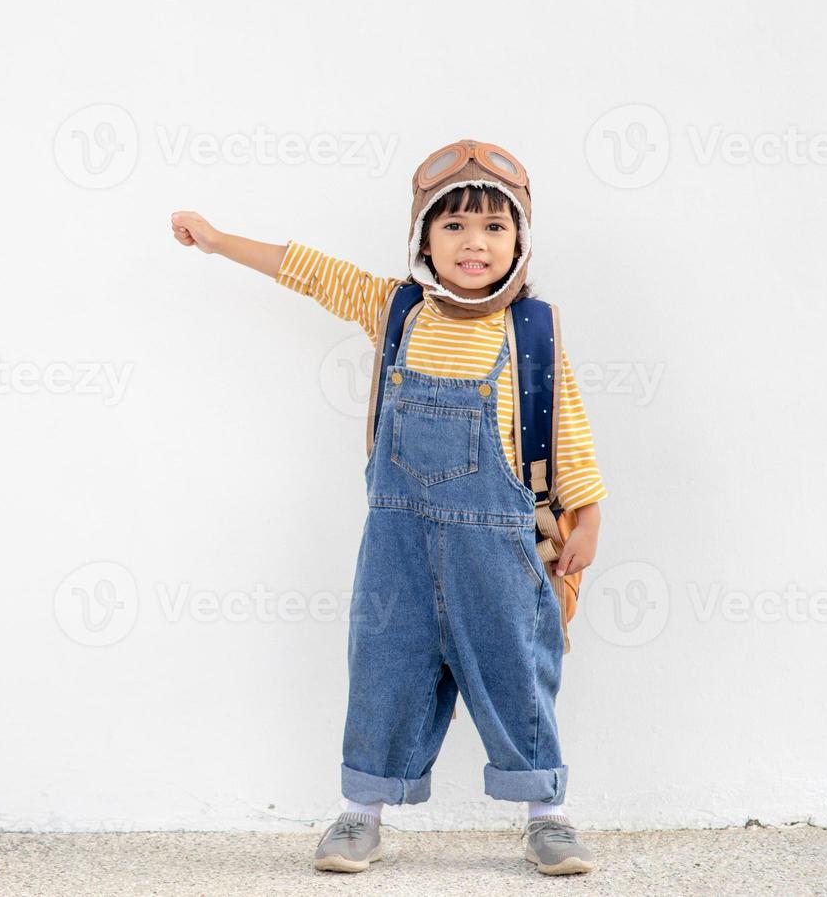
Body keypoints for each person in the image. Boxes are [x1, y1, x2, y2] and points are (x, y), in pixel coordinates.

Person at [170, 140, 607, 876]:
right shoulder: (396, 309)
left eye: (495, 228)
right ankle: (359, 816)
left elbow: (570, 432)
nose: (475, 243)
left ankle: (547, 817)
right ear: (423, 239)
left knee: (517, 675)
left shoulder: (532, 330)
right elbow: (310, 271)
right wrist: (217, 242)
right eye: (454, 226)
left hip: (499, 549)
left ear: (521, 241)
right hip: (397, 543)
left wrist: (587, 517)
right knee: (384, 668)